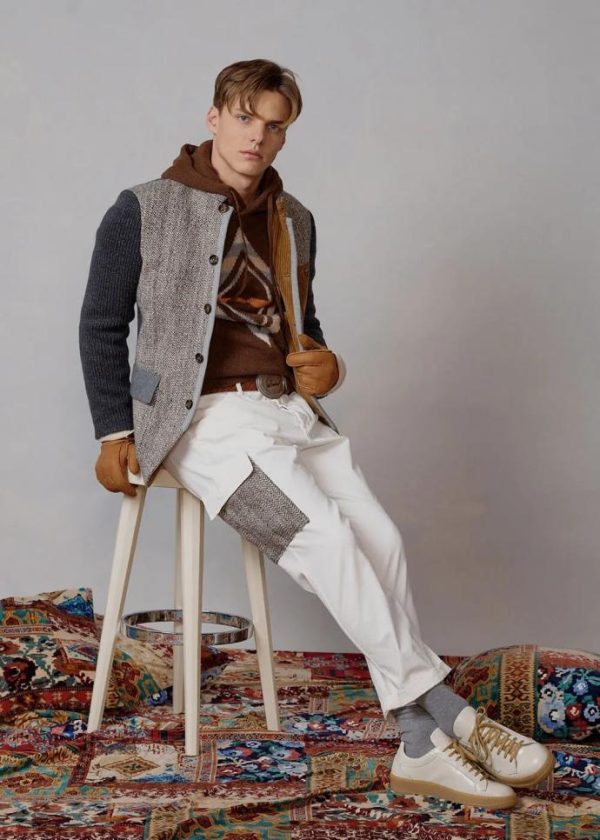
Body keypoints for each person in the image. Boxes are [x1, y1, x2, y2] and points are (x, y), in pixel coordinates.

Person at [78, 58, 553, 809]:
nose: (256, 137)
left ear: (285, 134)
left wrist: (327, 366)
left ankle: (421, 743)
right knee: (325, 541)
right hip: (203, 425)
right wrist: (113, 429)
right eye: (244, 118)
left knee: (382, 542)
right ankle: (445, 720)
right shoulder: (142, 208)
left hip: (291, 417)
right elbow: (101, 324)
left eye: (274, 126)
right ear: (213, 117)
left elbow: (305, 326)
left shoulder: (294, 219)